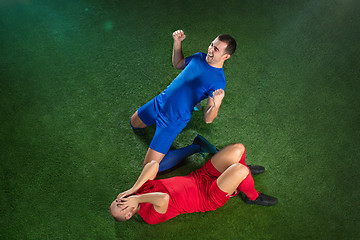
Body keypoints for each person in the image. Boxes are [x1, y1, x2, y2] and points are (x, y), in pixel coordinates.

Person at [129, 30, 237, 170]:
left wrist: (216, 104)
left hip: (174, 119)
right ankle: (194, 104)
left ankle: (197, 146)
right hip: (160, 102)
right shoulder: (199, 57)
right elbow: (178, 64)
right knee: (134, 123)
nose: (210, 50)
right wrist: (177, 43)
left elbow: (208, 119)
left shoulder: (218, 82)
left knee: (150, 167)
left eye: (216, 49)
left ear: (226, 56)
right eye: (211, 45)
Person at [109, 140, 278, 224]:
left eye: (117, 200)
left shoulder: (139, 190)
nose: (121, 200)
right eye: (120, 205)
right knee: (241, 171)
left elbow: (153, 165)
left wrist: (134, 189)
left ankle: (239, 178)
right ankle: (252, 196)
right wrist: (138, 199)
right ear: (128, 215)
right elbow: (163, 199)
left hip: (200, 176)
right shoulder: (149, 216)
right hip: (208, 196)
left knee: (238, 148)